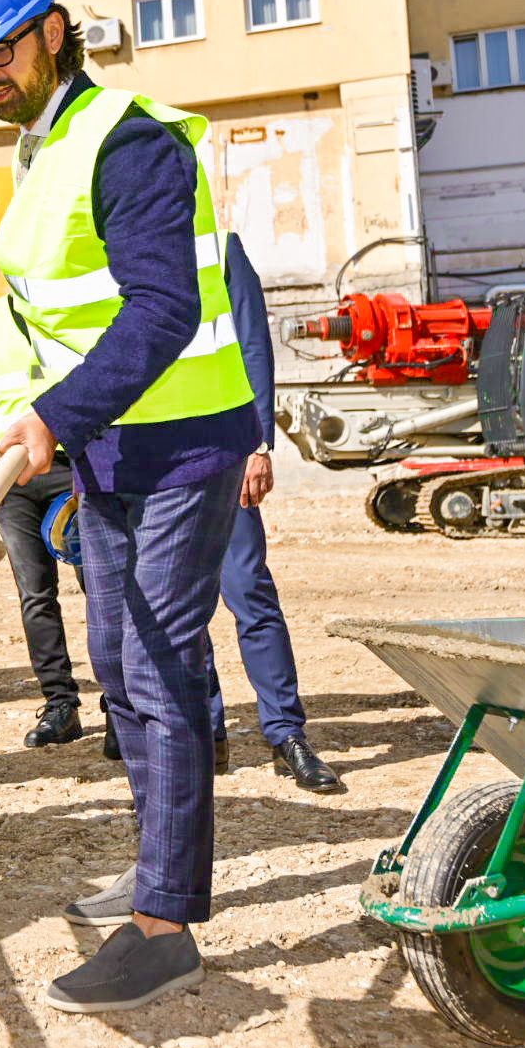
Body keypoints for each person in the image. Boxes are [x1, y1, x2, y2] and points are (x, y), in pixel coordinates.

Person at [0, 0, 256, 1015]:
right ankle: (156, 861)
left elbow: (164, 309)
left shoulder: (129, 144)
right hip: (111, 447)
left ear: (55, 30)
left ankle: (166, 926)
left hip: (182, 443)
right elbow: (46, 329)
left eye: (0, 50)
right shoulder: (43, 149)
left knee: (162, 666)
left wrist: (59, 417)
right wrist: (18, 429)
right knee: (119, 664)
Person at [218, 232, 338, 794]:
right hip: (153, 456)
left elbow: (252, 344)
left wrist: (257, 442)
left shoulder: (219, 246)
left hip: (221, 447)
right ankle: (204, 732)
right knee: (175, 609)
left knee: (249, 592)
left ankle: (286, 734)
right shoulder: (117, 243)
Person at [0, 298, 93, 753]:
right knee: (36, 593)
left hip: (73, 465)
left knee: (99, 585)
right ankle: (60, 705)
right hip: (9, 475)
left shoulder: (70, 307)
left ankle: (122, 704)